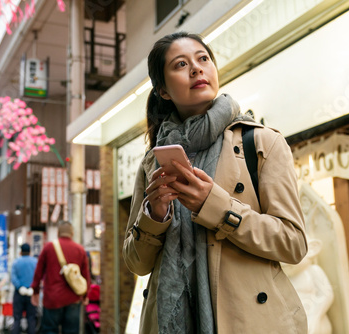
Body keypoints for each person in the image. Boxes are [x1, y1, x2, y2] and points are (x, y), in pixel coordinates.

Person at [122, 32, 308, 334]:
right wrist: (155, 216)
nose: (196, 69)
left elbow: (293, 243)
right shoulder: (152, 161)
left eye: (203, 59)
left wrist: (216, 206)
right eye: (181, 64)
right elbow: (136, 263)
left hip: (249, 322)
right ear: (164, 91)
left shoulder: (260, 141)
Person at [31, 221, 90, 334]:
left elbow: (38, 272)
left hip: (52, 298)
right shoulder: (80, 250)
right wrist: (86, 294)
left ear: (58, 233)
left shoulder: (49, 247)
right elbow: (85, 275)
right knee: (71, 331)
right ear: (72, 233)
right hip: (73, 298)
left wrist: (35, 291)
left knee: (49, 330)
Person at [11, 243, 38, 334]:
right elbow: (38, 276)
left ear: (20, 252)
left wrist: (20, 287)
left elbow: (13, 277)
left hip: (19, 293)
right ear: (30, 251)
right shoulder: (35, 262)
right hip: (31, 292)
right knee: (31, 318)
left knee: (17, 318)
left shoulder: (16, 262)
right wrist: (32, 287)